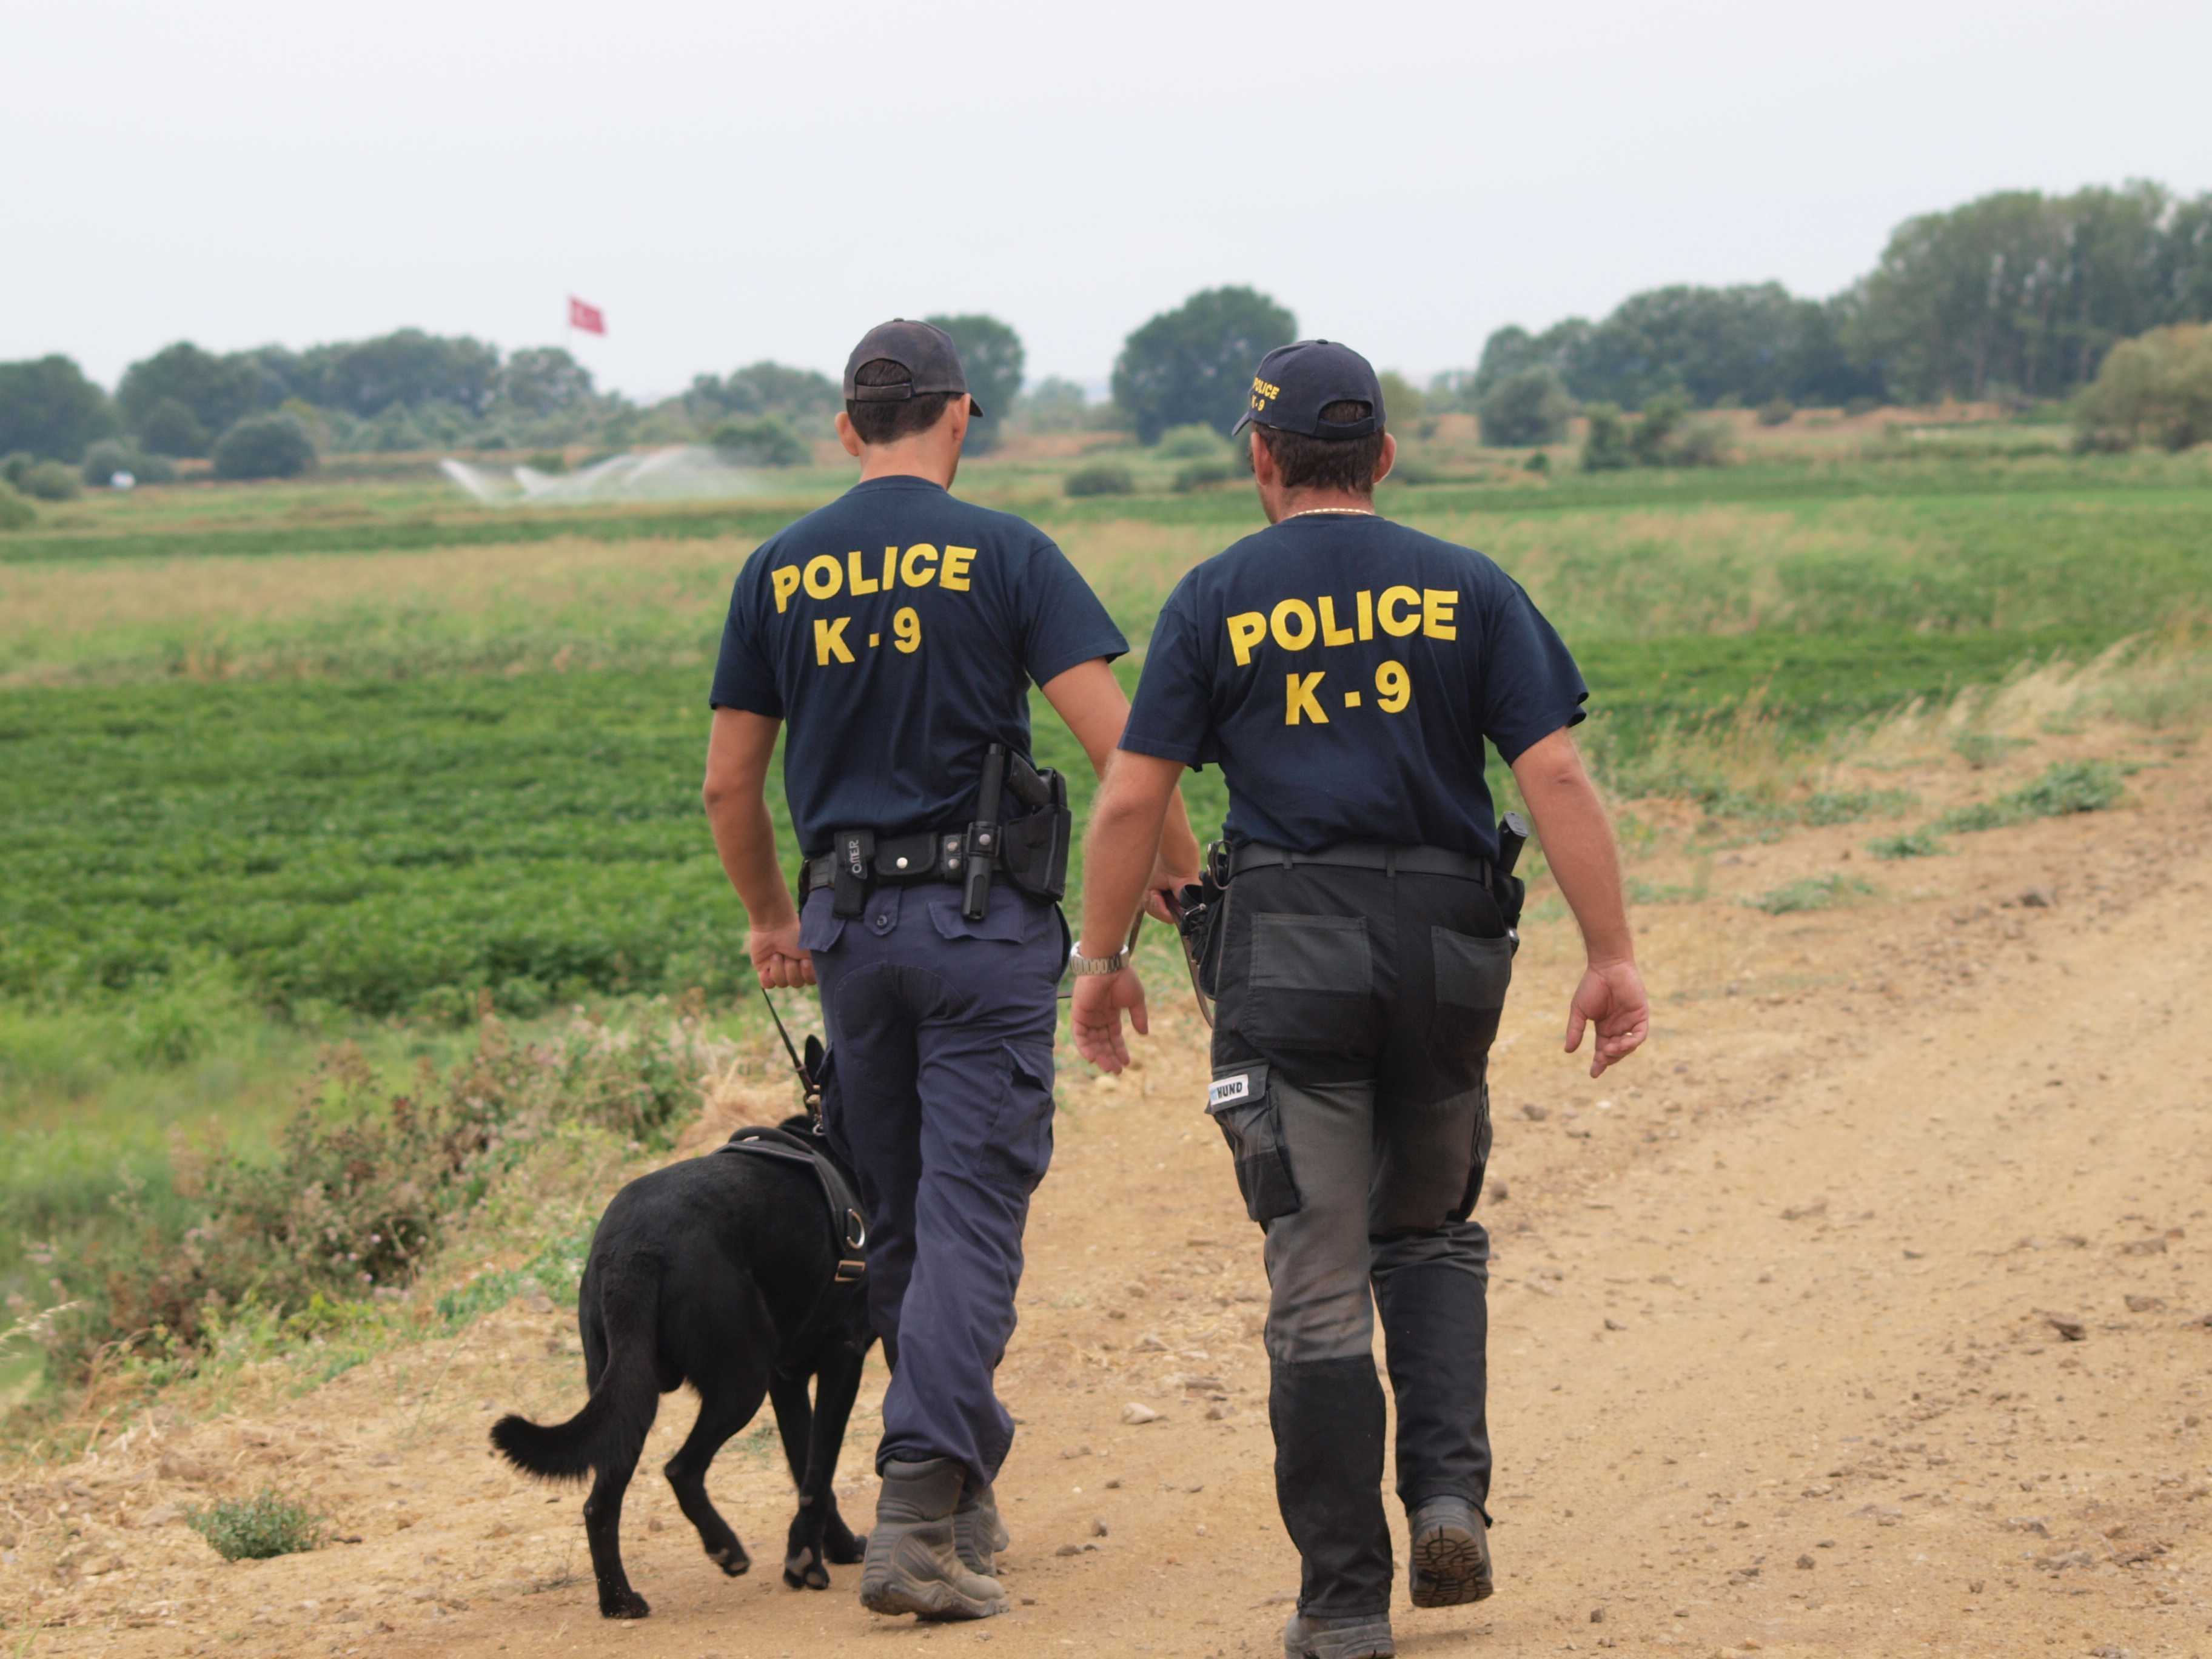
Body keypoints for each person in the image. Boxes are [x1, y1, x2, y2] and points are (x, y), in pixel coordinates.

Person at [1067, 340, 1649, 1659]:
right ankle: (1450, 1497)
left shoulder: (1217, 594)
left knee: (1316, 1274)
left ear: (1261, 460)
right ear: (1384, 456)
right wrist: (1609, 952)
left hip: (1292, 956)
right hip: (1449, 953)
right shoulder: (1471, 587)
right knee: (1431, 1226)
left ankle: (1341, 1604)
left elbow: (1131, 794)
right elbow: (1552, 776)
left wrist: (1101, 967)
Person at [701, 319, 1199, 1623]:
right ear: (960, 417)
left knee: (910, 1218)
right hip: (982, 936)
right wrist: (1172, 892)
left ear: (847, 426)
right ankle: (920, 1503)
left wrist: (771, 916)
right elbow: (1123, 755)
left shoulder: (778, 569)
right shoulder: (1009, 555)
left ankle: (960, 1483)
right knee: (975, 1212)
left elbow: (727, 783)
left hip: (850, 937)